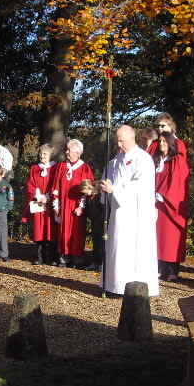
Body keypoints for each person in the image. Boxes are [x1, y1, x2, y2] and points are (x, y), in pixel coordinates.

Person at [100, 125, 159, 296]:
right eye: (117, 140)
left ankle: (134, 287)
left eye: (121, 140)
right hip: (118, 213)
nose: (119, 144)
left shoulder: (143, 159)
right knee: (117, 247)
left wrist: (115, 190)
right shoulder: (115, 160)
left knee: (133, 250)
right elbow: (108, 178)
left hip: (136, 214)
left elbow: (139, 187)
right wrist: (103, 188)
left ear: (132, 138)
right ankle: (115, 285)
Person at [50, 139, 94, 268]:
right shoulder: (61, 166)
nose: (67, 152)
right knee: (63, 231)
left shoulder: (84, 168)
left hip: (76, 206)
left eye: (69, 150)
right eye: (67, 149)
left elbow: (87, 190)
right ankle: (64, 256)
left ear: (78, 153)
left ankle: (77, 257)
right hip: (63, 205)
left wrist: (81, 206)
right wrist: (56, 205)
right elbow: (56, 186)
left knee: (77, 232)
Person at [154, 131, 189, 281]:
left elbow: (178, 183)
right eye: (160, 141)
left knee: (170, 237)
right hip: (156, 205)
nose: (162, 144)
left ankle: (172, 270)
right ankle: (160, 267)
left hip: (169, 205)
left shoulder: (177, 160)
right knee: (158, 237)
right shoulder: (156, 161)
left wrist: (162, 195)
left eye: (164, 141)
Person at [22, 144, 56, 265]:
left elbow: (56, 184)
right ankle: (39, 256)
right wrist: (37, 195)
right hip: (37, 202)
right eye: (41, 154)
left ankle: (50, 257)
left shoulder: (55, 168)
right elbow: (30, 184)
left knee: (49, 229)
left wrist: (47, 197)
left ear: (50, 155)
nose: (42, 156)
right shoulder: (34, 168)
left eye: (45, 154)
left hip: (49, 203)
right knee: (38, 229)